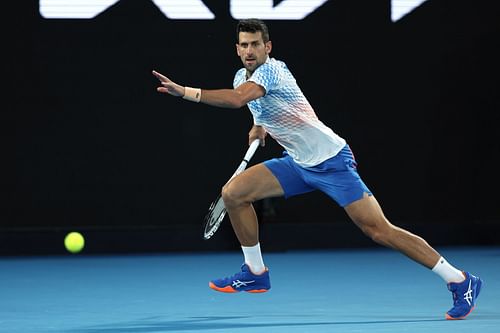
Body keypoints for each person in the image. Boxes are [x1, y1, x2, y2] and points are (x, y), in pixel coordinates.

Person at [152, 18, 482, 320]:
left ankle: (460, 280)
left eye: (256, 44)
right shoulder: (242, 76)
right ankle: (255, 273)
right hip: (297, 162)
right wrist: (258, 126)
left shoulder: (273, 71)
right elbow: (256, 105)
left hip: (332, 161)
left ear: (267, 47)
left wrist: (186, 92)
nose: (250, 50)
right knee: (234, 193)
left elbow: (238, 99)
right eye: (244, 45)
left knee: (378, 230)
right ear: (237, 49)